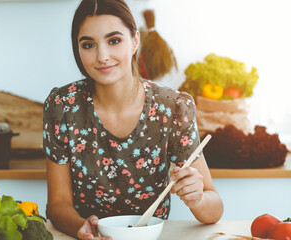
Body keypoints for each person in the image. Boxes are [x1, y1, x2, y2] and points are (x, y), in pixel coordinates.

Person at [43, 0, 224, 239]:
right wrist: (80, 228)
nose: (102, 56)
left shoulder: (173, 107)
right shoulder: (62, 106)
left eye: (114, 41)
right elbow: (57, 204)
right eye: (88, 45)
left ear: (135, 40)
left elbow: (214, 209)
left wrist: (198, 197)